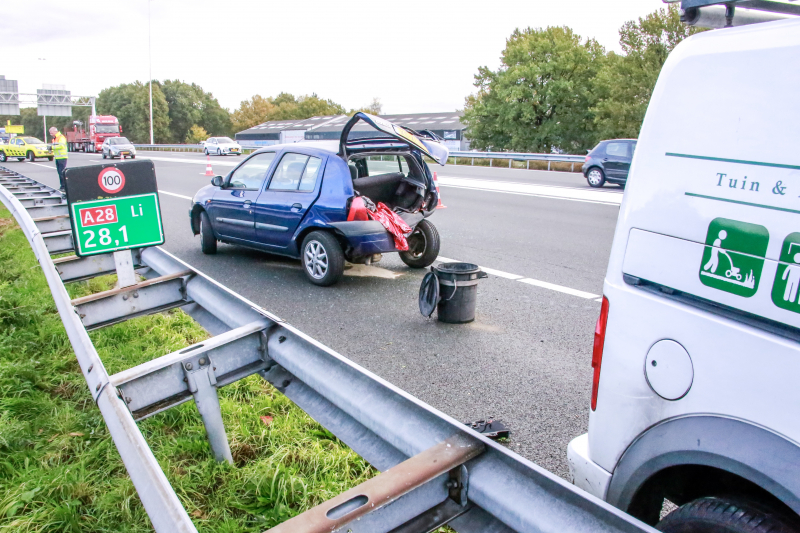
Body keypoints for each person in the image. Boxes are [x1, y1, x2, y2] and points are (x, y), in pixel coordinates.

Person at [49, 126, 68, 191]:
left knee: (62, 173)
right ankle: (62, 186)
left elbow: (61, 146)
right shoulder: (55, 138)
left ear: (55, 131)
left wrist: (52, 148)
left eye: (51, 132)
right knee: (59, 173)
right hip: (58, 157)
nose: (50, 134)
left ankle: (64, 187)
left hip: (62, 157)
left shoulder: (61, 137)